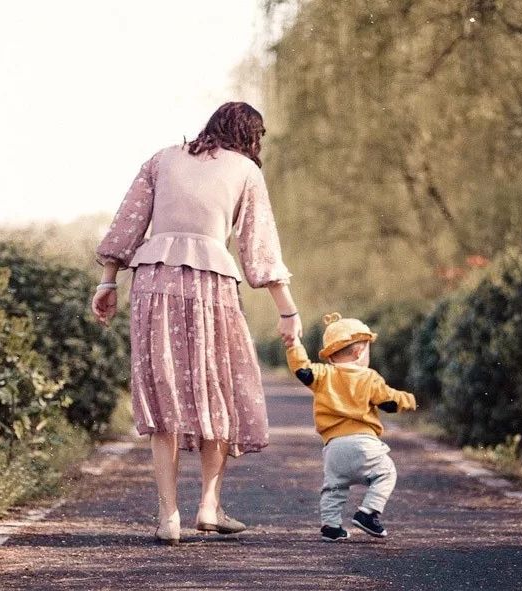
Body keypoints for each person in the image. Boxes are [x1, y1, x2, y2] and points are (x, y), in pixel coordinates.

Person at [92, 102, 303, 545]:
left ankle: (169, 517)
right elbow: (258, 248)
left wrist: (107, 283)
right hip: (212, 284)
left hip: (152, 281)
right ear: (250, 135)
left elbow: (128, 223)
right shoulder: (246, 170)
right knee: (219, 389)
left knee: (163, 393)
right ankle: (208, 505)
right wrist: (288, 312)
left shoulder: (162, 159)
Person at [285, 313, 417, 542]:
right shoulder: (369, 377)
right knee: (386, 473)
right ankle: (368, 512)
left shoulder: (324, 374)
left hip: (334, 447)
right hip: (365, 443)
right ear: (359, 352)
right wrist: (410, 400)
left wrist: (294, 344)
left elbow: (302, 370)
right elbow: (390, 402)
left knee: (334, 487)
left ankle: (331, 527)